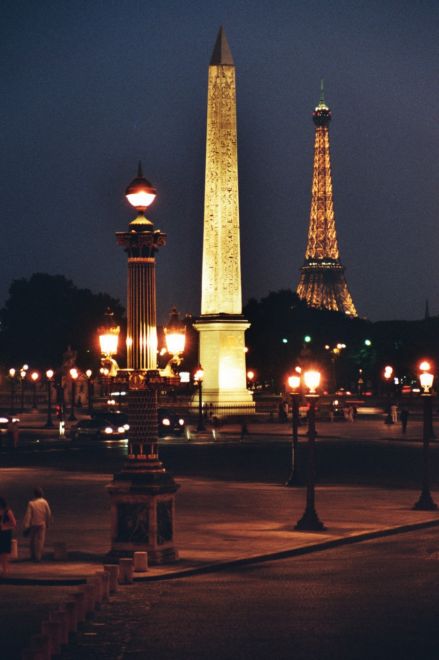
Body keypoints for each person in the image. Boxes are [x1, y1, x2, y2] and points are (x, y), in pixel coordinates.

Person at [23, 488, 52, 562]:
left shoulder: (31, 503)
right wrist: (48, 523)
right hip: (42, 524)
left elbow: (28, 515)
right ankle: (38, 557)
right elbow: (48, 513)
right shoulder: (44, 502)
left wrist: (26, 526)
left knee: (32, 540)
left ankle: (32, 555)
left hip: (33, 524)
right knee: (40, 541)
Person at [0, 497, 16, 576]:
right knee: (1, 552)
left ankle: (5, 569)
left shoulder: (7, 511)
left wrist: (4, 525)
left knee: (4, 553)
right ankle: (3, 569)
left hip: (5, 533)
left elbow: (13, 523)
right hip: (1, 533)